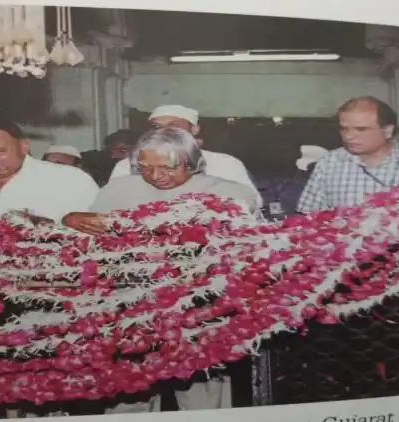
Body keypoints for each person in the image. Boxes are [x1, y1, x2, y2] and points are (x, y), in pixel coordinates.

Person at [62, 127, 260, 413]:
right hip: (130, 306)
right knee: (129, 393)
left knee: (204, 396)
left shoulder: (229, 192)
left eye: (167, 167)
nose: (156, 176)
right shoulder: (119, 189)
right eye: (145, 167)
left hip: (199, 309)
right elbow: (89, 235)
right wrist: (71, 219)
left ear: (192, 162)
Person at [297, 96, 399, 212]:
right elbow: (309, 218)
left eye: (360, 129)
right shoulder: (329, 164)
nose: (348, 136)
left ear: (387, 131)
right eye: (344, 129)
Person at [108, 105, 263, 207]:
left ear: (194, 129)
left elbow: (250, 205)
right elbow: (113, 205)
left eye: (173, 126)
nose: (163, 132)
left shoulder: (225, 163)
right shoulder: (125, 165)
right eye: (156, 127)